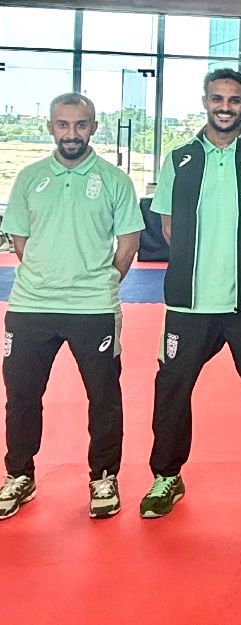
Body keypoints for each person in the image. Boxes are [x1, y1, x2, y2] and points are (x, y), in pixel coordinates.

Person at [140, 68, 241, 518]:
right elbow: (168, 226)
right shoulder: (180, 159)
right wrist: (201, 260)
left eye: (233, 100)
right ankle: (167, 476)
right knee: (172, 390)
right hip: (189, 303)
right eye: (217, 99)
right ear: (205, 102)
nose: (225, 107)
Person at [0, 93, 143, 520]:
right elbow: (20, 239)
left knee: (104, 397)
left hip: (93, 307)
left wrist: (103, 282)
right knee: (21, 396)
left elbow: (128, 243)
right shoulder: (29, 178)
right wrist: (47, 274)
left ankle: (104, 477)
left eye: (80, 125)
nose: (71, 133)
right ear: (50, 128)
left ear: (93, 127)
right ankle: (19, 475)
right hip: (31, 305)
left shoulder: (115, 181)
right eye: (63, 125)